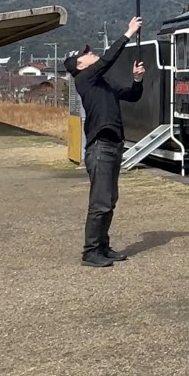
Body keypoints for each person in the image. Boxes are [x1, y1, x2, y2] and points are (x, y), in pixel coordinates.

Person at [63, 16, 146, 268]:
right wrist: (129, 33)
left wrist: (137, 80)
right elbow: (109, 58)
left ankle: (103, 246)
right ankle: (90, 252)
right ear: (79, 65)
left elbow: (131, 95)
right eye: (86, 54)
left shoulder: (103, 83)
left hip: (113, 146)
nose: (92, 54)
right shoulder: (84, 79)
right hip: (100, 148)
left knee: (109, 200)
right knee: (100, 201)